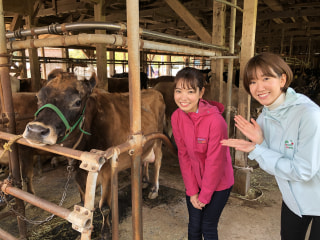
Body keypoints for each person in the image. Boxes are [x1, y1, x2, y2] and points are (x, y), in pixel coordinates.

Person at [221, 52, 320, 240]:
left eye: (266, 78)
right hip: (292, 199)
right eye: (252, 82)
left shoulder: (309, 115)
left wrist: (256, 149)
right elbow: (274, 160)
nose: (259, 87)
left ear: (282, 79)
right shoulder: (264, 117)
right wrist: (261, 142)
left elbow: (303, 171)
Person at [171, 67, 234, 240]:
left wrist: (204, 196)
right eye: (179, 91)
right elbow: (183, 155)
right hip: (195, 181)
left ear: (201, 93)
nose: (183, 98)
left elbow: (215, 163)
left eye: (190, 91)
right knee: (193, 227)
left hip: (219, 183)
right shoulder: (176, 117)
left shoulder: (216, 122)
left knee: (208, 226)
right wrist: (192, 191)